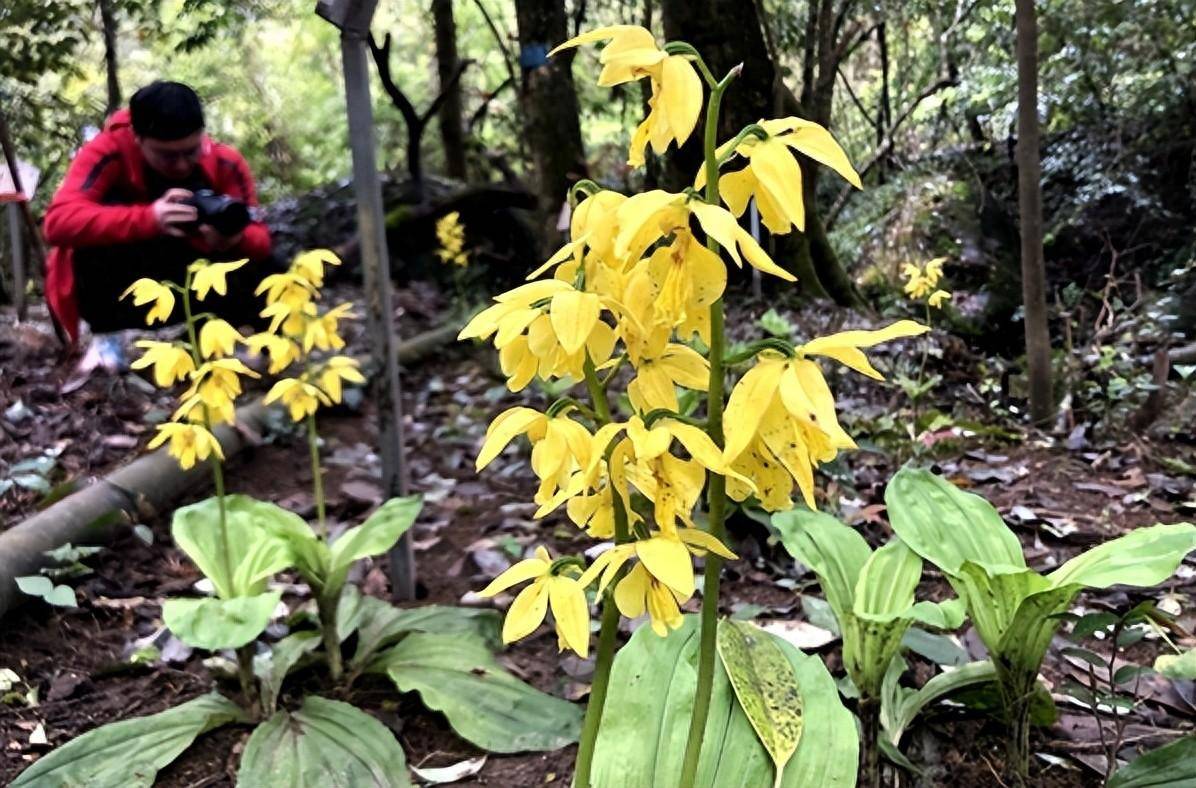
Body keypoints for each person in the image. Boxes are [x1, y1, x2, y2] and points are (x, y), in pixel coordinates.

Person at [43, 81, 273, 345]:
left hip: (199, 272)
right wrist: (151, 219)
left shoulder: (224, 161)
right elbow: (58, 223)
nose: (182, 164)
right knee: (89, 247)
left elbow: (261, 239)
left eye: (191, 151)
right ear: (137, 139)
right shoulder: (109, 151)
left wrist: (233, 239)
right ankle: (109, 341)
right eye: (167, 156)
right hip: (130, 279)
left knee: (271, 268)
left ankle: (257, 349)